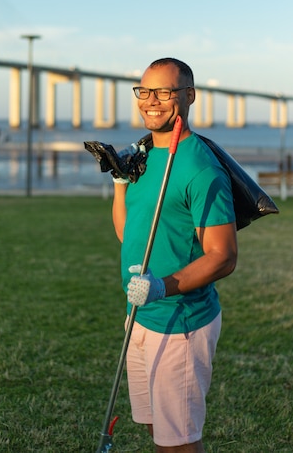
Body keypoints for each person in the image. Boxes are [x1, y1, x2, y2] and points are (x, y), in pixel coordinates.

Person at [112, 57, 238, 453]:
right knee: (157, 431)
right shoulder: (146, 157)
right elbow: (128, 233)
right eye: (144, 91)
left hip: (180, 322)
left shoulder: (201, 168)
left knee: (179, 443)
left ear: (188, 96)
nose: (152, 100)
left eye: (164, 92)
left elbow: (223, 257)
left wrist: (161, 287)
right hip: (141, 316)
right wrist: (119, 182)